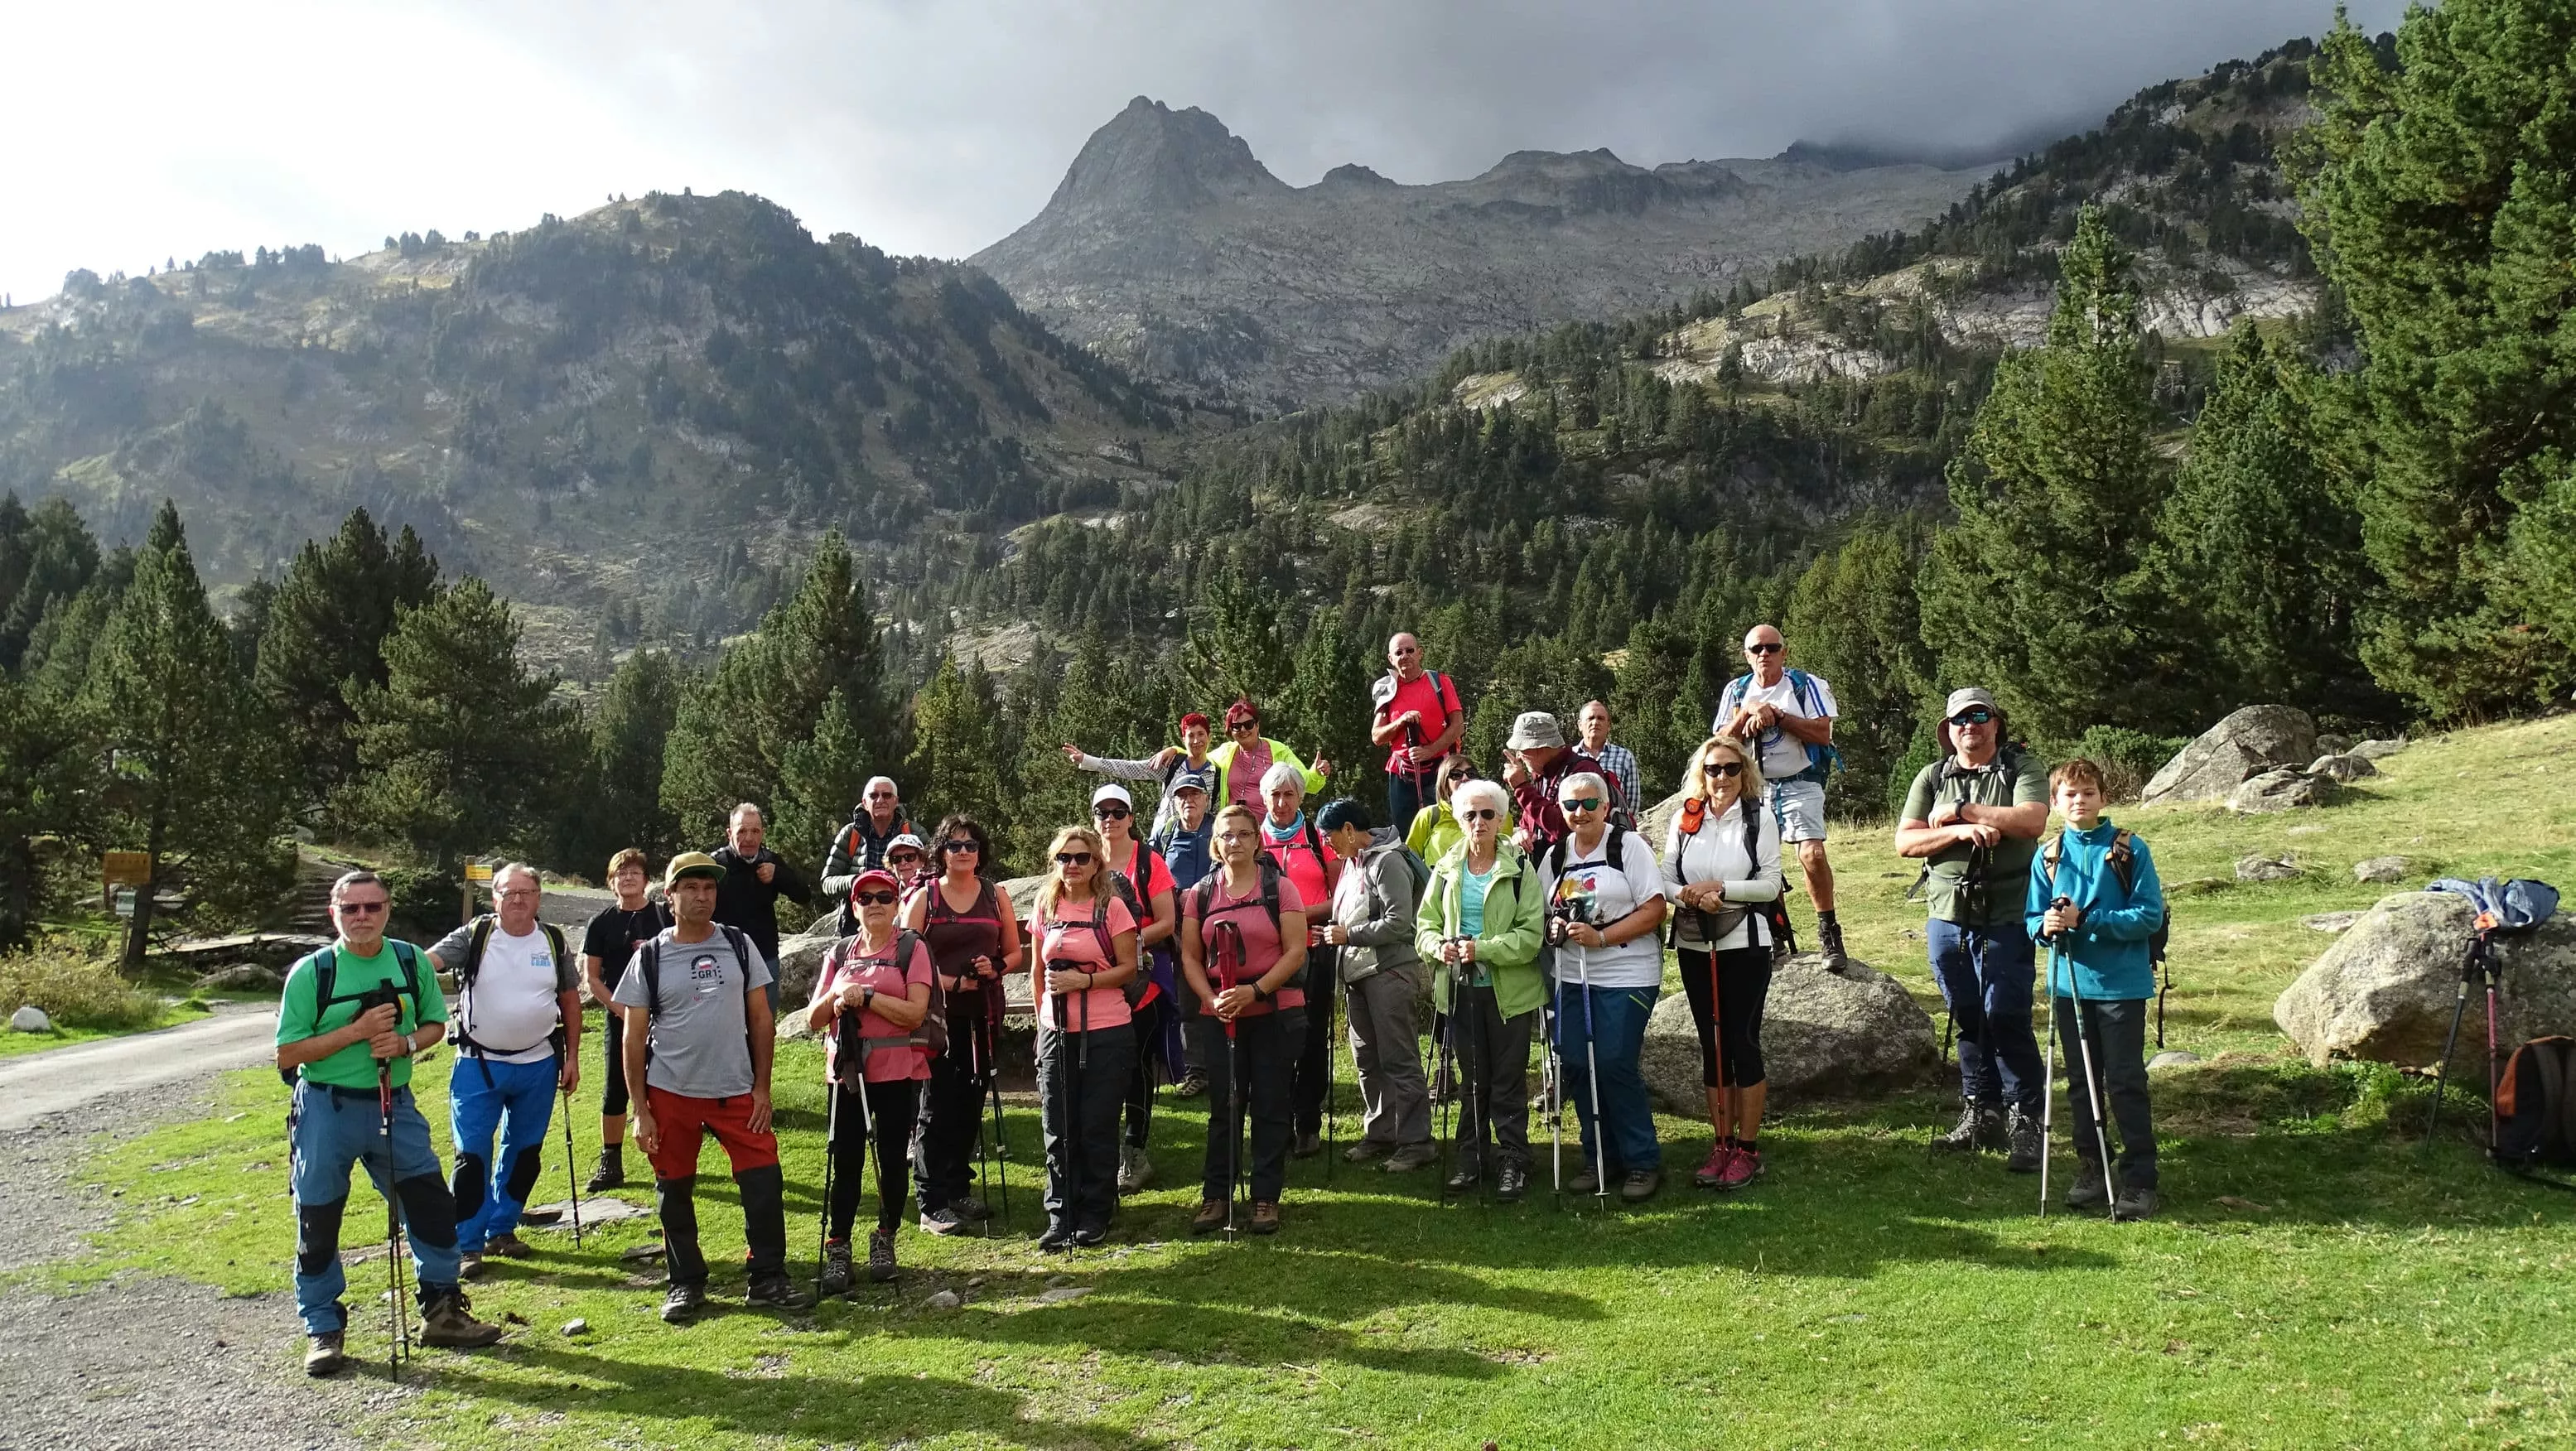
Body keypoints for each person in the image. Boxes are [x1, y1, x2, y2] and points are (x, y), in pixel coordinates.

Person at [277, 870, 503, 1376]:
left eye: (372, 907)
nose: (362, 917)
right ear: (334, 913)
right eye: (350, 908)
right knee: (319, 1221)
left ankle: (442, 1312)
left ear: (387, 910)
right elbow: (288, 1053)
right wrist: (356, 1032)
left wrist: (403, 1044)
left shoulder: (407, 960)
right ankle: (323, 1328)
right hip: (325, 1108)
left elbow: (434, 1024)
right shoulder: (311, 974)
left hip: (393, 1104)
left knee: (429, 1209)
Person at [612, 851, 811, 1322]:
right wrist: (640, 1109)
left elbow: (762, 1020)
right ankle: (685, 1283)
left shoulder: (739, 946)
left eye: (709, 889)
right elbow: (632, 1038)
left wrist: (763, 1088)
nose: (702, 897)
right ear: (671, 896)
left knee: (763, 1182)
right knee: (674, 1189)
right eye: (691, 889)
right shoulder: (652, 956)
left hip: (737, 1090)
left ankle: (767, 1277)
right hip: (670, 1092)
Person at [1896, 687, 2051, 1171]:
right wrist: (1959, 833)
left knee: (2005, 1012)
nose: (1971, 726)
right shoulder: (1932, 776)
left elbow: (2032, 820)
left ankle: (2025, 1117)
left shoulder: (2023, 769)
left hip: (2008, 911)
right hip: (1946, 913)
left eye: (1980, 716)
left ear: (1996, 723)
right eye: (1961, 720)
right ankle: (1979, 1110)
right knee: (1966, 1013)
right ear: (1948, 730)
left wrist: (1964, 811)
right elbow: (1905, 842)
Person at [2027, 759, 2167, 1221]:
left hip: (2122, 987)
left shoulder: (2129, 848)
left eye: (2088, 792)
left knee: (2125, 1081)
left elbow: (2149, 916)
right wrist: (2045, 927)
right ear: (2055, 802)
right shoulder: (2047, 854)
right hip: (2069, 987)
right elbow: (2031, 919)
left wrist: (2087, 920)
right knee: (2082, 1085)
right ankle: (2093, 1167)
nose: (2079, 801)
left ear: (2103, 798)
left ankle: (2139, 1180)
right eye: (2069, 794)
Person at [426, 862, 581, 1276]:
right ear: (494, 897)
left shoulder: (552, 940)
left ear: (538, 898)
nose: (517, 899)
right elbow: (427, 965)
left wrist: (572, 1057)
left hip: (539, 1064)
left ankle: (503, 1228)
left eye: (526, 892)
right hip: (479, 1064)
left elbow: (570, 999)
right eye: (508, 892)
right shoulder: (476, 936)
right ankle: (467, 1243)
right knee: (471, 1156)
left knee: (525, 1153)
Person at [1179, 803, 1312, 1235]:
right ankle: (1216, 1194)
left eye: (1242, 833)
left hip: (1272, 1010)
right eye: (1226, 835)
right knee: (1225, 1104)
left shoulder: (1281, 888)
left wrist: (1255, 991)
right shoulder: (1199, 894)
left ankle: (1265, 1198)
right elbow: (1190, 956)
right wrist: (1211, 997)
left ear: (1257, 840)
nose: (1234, 841)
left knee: (1271, 1104)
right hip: (1220, 1013)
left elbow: (1296, 951)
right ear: (1215, 843)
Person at [1414, 779, 1546, 1201]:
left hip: (1510, 993)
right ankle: (1471, 1158)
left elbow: (1531, 935)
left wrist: (1481, 949)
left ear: (1502, 819)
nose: (1478, 822)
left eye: (1487, 814)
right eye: (1470, 814)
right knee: (1473, 1079)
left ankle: (1513, 1160)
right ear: (1458, 817)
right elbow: (1425, 927)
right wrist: (1440, 947)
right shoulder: (1445, 868)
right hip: (1460, 991)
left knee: (1506, 1080)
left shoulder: (1521, 868)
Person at [1539, 772, 1670, 1201]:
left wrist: (1601, 937)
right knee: (1576, 1063)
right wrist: (1554, 929)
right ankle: (1599, 1157)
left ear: (1606, 806)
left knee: (1613, 1062)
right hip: (1573, 975)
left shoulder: (1627, 846)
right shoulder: (1556, 855)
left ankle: (1641, 1160)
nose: (1580, 813)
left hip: (1626, 973)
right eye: (1571, 805)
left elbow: (1654, 909)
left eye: (1589, 804)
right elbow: (1542, 914)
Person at [1662, 736, 1784, 1191]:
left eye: (1731, 769)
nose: (1722, 778)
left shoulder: (1759, 817)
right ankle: (1721, 1142)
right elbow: (1665, 876)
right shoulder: (1684, 818)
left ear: (1744, 772)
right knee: (1711, 1044)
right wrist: (1690, 895)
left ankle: (1748, 1150)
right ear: (1702, 773)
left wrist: (1722, 889)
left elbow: (1771, 885)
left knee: (1741, 1041)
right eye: (1713, 769)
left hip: (1746, 943)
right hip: (1696, 943)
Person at [807, 867, 934, 1289]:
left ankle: (885, 1236)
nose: (875, 904)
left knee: (893, 1157)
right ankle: (838, 1247)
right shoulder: (840, 952)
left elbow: (915, 1012)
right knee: (845, 1160)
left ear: (897, 905)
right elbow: (813, 1019)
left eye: (884, 897)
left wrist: (870, 997)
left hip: (896, 1072)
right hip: (846, 1073)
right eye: (866, 898)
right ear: (853, 906)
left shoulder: (911, 949)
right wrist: (837, 998)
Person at [901, 814, 1020, 1234]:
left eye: (971, 845)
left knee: (972, 1100)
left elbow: (1015, 954)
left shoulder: (995, 894)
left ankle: (957, 1186)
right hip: (936, 1016)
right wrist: (952, 981)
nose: (964, 852)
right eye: (955, 846)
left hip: (983, 1011)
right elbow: (905, 956)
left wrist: (995, 966)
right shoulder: (925, 897)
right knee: (936, 1105)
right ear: (941, 852)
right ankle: (930, 1200)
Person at [1027, 824, 1141, 1251]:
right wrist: (1043, 1022)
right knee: (1057, 1124)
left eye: (1081, 858)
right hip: (1057, 1031)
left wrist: (1083, 983)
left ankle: (1095, 1212)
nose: (1072, 866)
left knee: (1096, 1123)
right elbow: (1038, 970)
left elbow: (1128, 967)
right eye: (1064, 858)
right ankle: (1061, 1213)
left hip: (1108, 1030)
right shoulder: (1046, 903)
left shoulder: (1112, 908)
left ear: (1097, 862)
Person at [1713, 625, 1847, 970]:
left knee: (1812, 854)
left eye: (1772, 647)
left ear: (1784, 652)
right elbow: (1719, 745)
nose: (1764, 654)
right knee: (1760, 863)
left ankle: (1828, 930)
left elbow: (1823, 733)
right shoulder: (1737, 691)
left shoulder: (1805, 685)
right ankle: (1775, 931)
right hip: (1754, 785)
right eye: (1757, 649)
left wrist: (1779, 716)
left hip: (1801, 779)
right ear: (1746, 656)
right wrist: (1747, 713)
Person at [1316, 799, 1436, 1173]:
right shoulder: (1354, 863)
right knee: (1367, 1059)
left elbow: (1400, 922)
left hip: (1390, 971)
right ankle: (1381, 1132)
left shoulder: (1388, 861)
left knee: (1399, 1058)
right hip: (1358, 975)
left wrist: (1348, 935)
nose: (1327, 843)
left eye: (1330, 835)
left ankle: (1418, 1142)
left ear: (1350, 830)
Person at [1093, 783, 1179, 1193]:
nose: (1109, 820)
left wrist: (1130, 940)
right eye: (1101, 813)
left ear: (1131, 817)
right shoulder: (1084, 861)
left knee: (1139, 1064)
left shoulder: (1149, 862)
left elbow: (1167, 920)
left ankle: (1134, 1148)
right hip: (1094, 982)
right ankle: (1099, 1148)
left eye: (1117, 812)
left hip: (1142, 980)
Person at [1260, 761, 1344, 1157]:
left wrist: (1294, 917)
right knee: (1272, 1039)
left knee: (1311, 1036)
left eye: (1288, 794)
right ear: (1265, 799)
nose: (1281, 802)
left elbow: (1339, 896)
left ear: (1300, 797)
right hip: (1266, 954)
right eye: (1274, 795)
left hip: (1315, 949)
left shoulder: (1318, 837)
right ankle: (1278, 1121)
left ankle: (1307, 1120)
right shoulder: (1253, 839)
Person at [579, 849, 669, 1193]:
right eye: (620, 873)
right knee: (615, 1086)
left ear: (647, 880)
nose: (627, 878)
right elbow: (592, 977)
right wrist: (621, 1009)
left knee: (665, 1084)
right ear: (611, 881)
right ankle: (610, 1161)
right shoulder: (600, 923)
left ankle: (668, 1157)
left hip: (665, 1016)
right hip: (620, 1017)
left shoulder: (664, 916)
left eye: (634, 872)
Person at [1151, 766, 1219, 1098]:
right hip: (1179, 932)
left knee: (1225, 994)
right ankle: (1197, 1072)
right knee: (1188, 1003)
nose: (1188, 801)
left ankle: (1228, 1068)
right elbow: (1151, 876)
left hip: (1220, 927)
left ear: (1207, 799)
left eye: (1194, 795)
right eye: (1182, 796)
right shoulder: (1164, 835)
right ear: (1174, 802)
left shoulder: (1220, 830)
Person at [710, 803, 810, 1007]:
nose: (749, 838)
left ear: (762, 833)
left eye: (755, 831)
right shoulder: (715, 865)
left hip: (765, 957)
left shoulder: (770, 860)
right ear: (729, 833)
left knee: (763, 1027)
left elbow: (804, 895)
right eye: (742, 831)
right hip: (724, 957)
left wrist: (779, 876)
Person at [1065, 712, 1218, 839]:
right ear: (1183, 739)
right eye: (1191, 735)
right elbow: (1133, 769)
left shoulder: (1217, 773)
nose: (1197, 741)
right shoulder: (1172, 764)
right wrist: (1088, 760)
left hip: (1201, 840)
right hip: (1165, 840)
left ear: (1209, 737)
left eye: (1201, 734)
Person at [1371, 633, 1467, 828]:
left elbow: (1458, 725)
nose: (1404, 656)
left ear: (1420, 653)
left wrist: (1430, 751)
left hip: (1440, 770)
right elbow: (1377, 736)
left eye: (1410, 650)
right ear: (1391, 659)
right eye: (1398, 652)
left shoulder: (1439, 682)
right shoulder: (1388, 690)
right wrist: (1401, 722)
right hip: (1402, 773)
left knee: (1444, 827)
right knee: (1406, 832)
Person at [1503, 711, 1616, 858]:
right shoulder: (1543, 776)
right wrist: (1523, 834)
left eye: (1522, 750)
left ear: (1540, 748)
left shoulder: (1582, 772)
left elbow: (1570, 829)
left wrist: (1521, 788)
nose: (1519, 756)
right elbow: (1529, 821)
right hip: (1552, 870)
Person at [1206, 698, 1330, 815]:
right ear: (1231, 731)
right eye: (1237, 727)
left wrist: (1317, 773)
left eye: (1248, 724)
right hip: (1237, 830)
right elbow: (1196, 758)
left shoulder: (1278, 751)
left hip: (1274, 829)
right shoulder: (1225, 752)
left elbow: (1305, 782)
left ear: (1257, 725)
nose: (1243, 730)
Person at [821, 777, 916, 899]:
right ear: (865, 803)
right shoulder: (850, 833)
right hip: (859, 911)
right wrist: (857, 881)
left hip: (904, 911)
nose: (880, 800)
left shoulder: (913, 832)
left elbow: (933, 875)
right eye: (873, 796)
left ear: (896, 801)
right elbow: (828, 882)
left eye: (887, 795)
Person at [1406, 754, 1507, 865]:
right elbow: (1410, 859)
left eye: (1471, 773)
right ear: (1444, 783)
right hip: (1437, 880)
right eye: (1456, 775)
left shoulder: (1498, 814)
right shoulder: (1430, 815)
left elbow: (1507, 854)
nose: (1465, 778)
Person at [1574, 701, 1642, 819]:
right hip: (1577, 828)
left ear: (1609, 725)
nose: (1595, 722)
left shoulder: (1625, 757)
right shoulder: (1570, 757)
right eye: (1590, 718)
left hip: (1614, 831)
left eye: (1601, 718)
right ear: (1580, 725)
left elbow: (1632, 806)